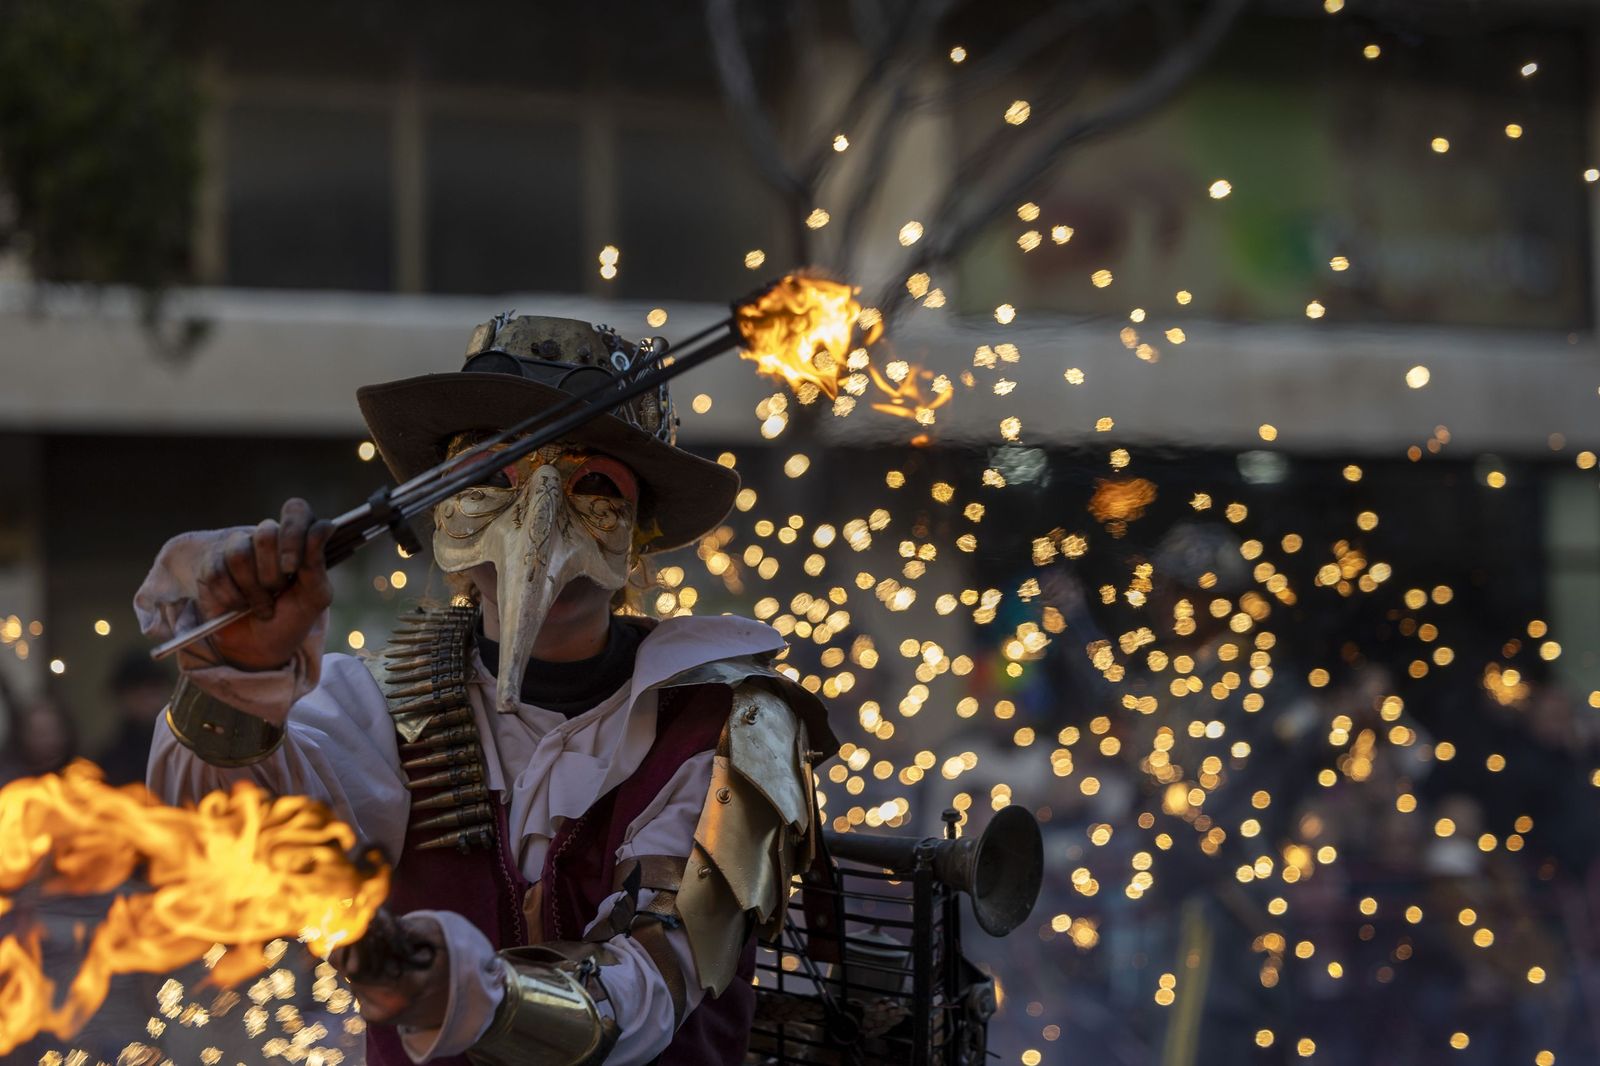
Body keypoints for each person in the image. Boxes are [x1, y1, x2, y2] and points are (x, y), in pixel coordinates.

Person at [134, 315, 836, 1065]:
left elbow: (650, 982)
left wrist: (473, 996)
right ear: (443, 516)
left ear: (638, 537)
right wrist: (237, 678)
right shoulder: (377, 706)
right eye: (493, 479)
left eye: (594, 487)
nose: (540, 524)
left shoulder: (730, 721)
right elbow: (225, 847)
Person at [94, 648, 174, 786]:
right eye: (138, 691)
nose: (146, 700)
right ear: (123, 697)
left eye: (153, 690)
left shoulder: (179, 750)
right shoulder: (111, 760)